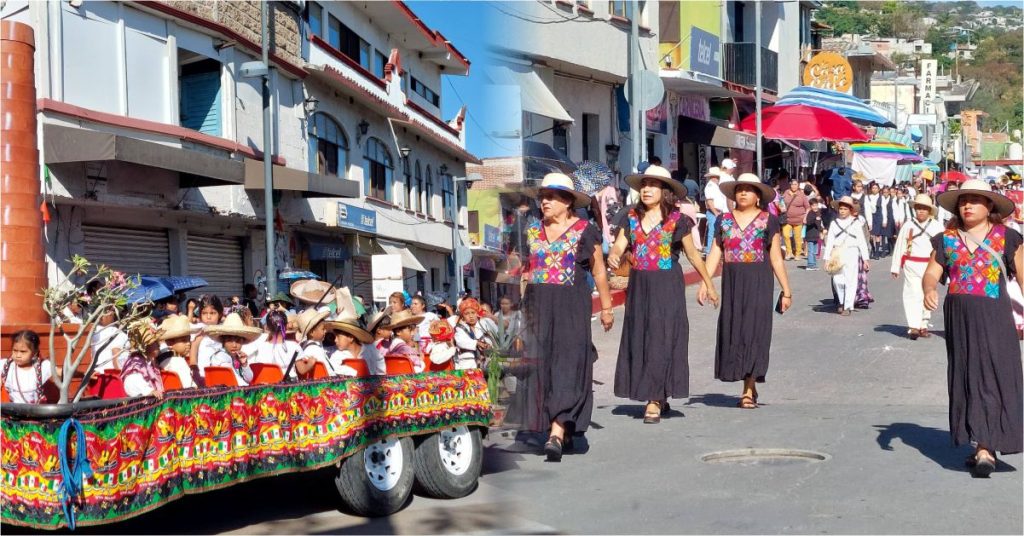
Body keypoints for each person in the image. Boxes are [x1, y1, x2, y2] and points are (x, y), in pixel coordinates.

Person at [509, 172, 614, 462]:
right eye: (542, 196)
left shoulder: (585, 230)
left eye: (552, 196)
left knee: (568, 365)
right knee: (541, 368)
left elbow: (599, 271)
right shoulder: (531, 231)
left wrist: (606, 307)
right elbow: (525, 273)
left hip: (571, 308)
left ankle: (556, 431)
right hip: (538, 307)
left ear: (568, 202)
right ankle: (555, 425)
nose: (544, 201)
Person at [923, 179, 1023, 478]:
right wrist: (929, 288)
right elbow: (932, 272)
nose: (967, 205)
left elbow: (1022, 275)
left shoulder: (1007, 237)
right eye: (963, 201)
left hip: (994, 315)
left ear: (989, 206)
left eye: (975, 200)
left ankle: (987, 446)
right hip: (959, 318)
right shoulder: (946, 239)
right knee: (967, 374)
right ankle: (980, 442)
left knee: (995, 374)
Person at [608, 165, 718, 423]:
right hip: (640, 287)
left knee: (663, 337)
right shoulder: (630, 217)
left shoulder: (678, 220)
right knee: (643, 337)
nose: (646, 189)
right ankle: (656, 391)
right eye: (643, 185)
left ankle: (654, 399)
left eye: (653, 185)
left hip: (668, 285)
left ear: (665, 191)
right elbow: (619, 247)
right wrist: (614, 256)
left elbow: (692, 254)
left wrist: (709, 284)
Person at [699, 173, 792, 409]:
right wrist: (706, 282)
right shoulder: (724, 221)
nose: (743, 193)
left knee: (755, 332)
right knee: (736, 331)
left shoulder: (767, 220)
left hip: (759, 282)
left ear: (758, 196)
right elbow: (715, 253)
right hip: (732, 283)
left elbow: (776, 259)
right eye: (739, 189)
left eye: (749, 189)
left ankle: (748, 389)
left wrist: (787, 290)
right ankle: (748, 379)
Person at [890, 194, 944, 340]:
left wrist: (945, 268)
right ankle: (913, 325)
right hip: (911, 264)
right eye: (918, 208)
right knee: (912, 293)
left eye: (924, 209)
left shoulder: (937, 226)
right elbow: (900, 245)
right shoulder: (908, 225)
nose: (920, 211)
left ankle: (924, 324)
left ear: (929, 211)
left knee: (927, 293)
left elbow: (944, 247)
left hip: (930, 265)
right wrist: (895, 266)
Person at [823, 196, 870, 316]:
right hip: (838, 252)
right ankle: (841, 300)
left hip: (852, 252)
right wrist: (826, 258)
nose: (842, 211)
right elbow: (830, 242)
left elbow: (861, 242)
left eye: (845, 209)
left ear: (850, 210)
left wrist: (865, 259)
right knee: (837, 280)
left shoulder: (856, 223)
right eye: (841, 209)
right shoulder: (834, 223)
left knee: (851, 280)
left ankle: (847, 305)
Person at [201, 313, 260, 385]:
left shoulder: (237, 357)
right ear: (223, 341)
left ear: (242, 341)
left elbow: (249, 379)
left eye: (238, 341)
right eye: (229, 340)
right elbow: (235, 380)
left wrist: (244, 364)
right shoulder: (221, 357)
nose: (234, 345)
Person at [1, 330, 53, 404]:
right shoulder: (5, 366)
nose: (18, 355)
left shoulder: (43, 367)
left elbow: (60, 372)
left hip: (34, 413)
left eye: (23, 351)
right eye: (15, 350)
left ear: (34, 353)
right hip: (9, 413)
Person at [121, 320, 166, 398]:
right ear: (144, 347)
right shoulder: (136, 363)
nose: (158, 345)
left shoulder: (150, 361)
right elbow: (131, 380)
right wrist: (149, 391)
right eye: (154, 343)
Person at [250, 310, 301, 378]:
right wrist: (310, 362)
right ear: (286, 326)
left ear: (267, 327)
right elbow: (302, 370)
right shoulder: (294, 346)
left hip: (267, 386)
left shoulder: (260, 347)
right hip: (289, 387)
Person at [157, 314, 197, 389]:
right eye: (183, 340)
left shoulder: (161, 356)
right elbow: (188, 388)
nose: (188, 343)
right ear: (170, 342)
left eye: (188, 339)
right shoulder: (179, 362)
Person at [189, 294, 225, 371]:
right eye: (204, 313)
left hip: (223, 370)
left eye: (212, 313)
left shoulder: (223, 330)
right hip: (204, 371)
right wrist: (193, 366)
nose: (208, 317)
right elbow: (194, 347)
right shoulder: (200, 330)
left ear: (220, 314)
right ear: (200, 315)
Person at [294, 308, 332, 377]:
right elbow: (328, 371)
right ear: (312, 332)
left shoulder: (303, 346)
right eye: (323, 329)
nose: (325, 331)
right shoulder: (315, 349)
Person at [453, 298, 489, 370]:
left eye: (473, 312)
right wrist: (477, 343)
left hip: (486, 363)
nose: (471, 316)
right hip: (467, 363)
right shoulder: (460, 328)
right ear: (463, 316)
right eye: (467, 314)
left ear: (477, 313)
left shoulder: (485, 324)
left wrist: (488, 344)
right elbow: (460, 342)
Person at [91, 307, 128, 373]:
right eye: (111, 311)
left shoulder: (92, 334)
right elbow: (116, 361)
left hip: (94, 373)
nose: (113, 314)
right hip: (110, 375)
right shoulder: (116, 333)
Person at [781, 178, 810, 260]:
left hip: (799, 219)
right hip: (787, 219)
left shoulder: (802, 195)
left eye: (795, 184)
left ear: (798, 185)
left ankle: (797, 253)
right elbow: (781, 202)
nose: (793, 186)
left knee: (797, 237)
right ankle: (789, 252)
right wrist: (781, 207)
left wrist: (805, 217)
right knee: (786, 235)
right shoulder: (786, 192)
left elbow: (807, 207)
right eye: (792, 184)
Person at [703, 167, 727, 257]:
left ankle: (714, 251)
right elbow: (709, 201)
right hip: (714, 212)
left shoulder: (714, 186)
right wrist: (715, 212)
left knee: (716, 232)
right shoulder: (710, 186)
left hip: (718, 212)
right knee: (712, 232)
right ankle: (709, 252)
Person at [804, 199, 826, 271]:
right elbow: (808, 223)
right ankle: (810, 264)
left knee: (815, 251)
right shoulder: (810, 213)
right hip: (810, 235)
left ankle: (813, 264)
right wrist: (814, 219)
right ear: (810, 206)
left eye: (816, 205)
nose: (815, 207)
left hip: (816, 235)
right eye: (813, 206)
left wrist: (822, 229)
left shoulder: (818, 213)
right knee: (811, 250)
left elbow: (818, 224)